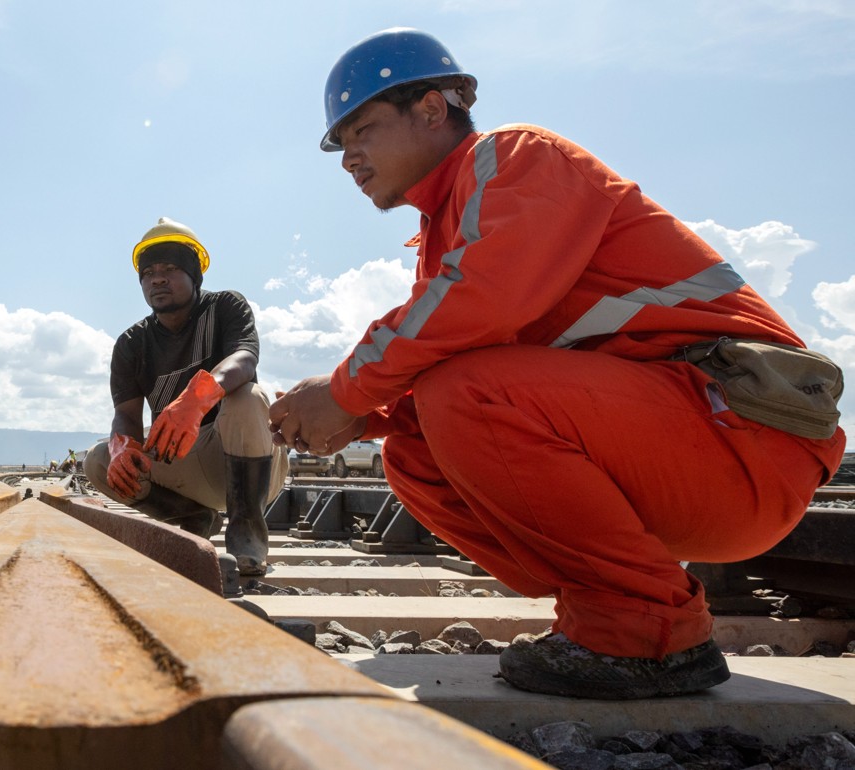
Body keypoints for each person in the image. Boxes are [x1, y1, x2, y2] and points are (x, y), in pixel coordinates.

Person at [269, 28, 844, 698]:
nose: (348, 158)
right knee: (413, 449)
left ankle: (647, 631)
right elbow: (479, 355)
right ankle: (605, 606)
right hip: (686, 448)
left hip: (744, 434)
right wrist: (362, 417)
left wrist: (345, 391)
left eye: (361, 130)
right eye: (341, 145)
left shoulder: (515, 158)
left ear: (431, 109)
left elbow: (480, 301)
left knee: (464, 391)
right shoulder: (447, 226)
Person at [84, 218, 288, 576]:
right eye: (148, 272)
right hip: (182, 461)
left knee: (248, 397)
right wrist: (123, 447)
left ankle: (248, 538)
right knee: (98, 460)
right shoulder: (132, 344)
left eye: (171, 268)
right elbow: (127, 415)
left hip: (243, 458)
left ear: (195, 275)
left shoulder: (225, 307)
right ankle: (194, 516)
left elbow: (245, 357)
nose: (157, 278)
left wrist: (197, 397)